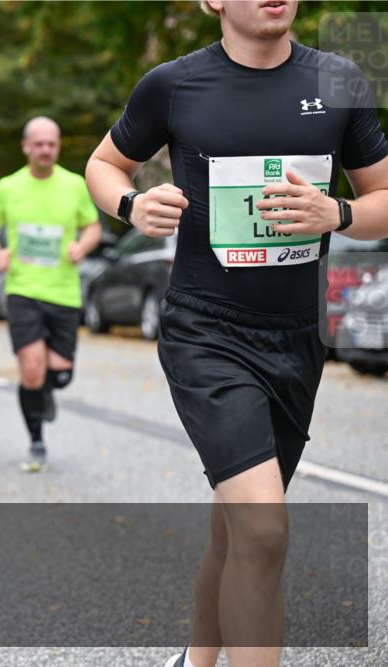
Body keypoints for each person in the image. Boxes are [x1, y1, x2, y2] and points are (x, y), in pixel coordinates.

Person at [84, 2, 388, 665]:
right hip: (206, 333)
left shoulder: (339, 80)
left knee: (239, 533)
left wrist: (335, 210)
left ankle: (196, 659)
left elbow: (383, 196)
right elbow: (103, 165)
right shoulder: (173, 84)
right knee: (264, 528)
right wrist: (132, 204)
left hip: (298, 339)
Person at [0, 116, 102, 472]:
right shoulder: (8, 187)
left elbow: (92, 226)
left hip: (64, 292)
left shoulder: (75, 185)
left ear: (58, 146)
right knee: (31, 371)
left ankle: (46, 392)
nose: (46, 150)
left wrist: (84, 245)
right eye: (39, 144)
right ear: (26, 147)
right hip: (23, 289)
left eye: (52, 143)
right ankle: (36, 440)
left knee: (60, 375)